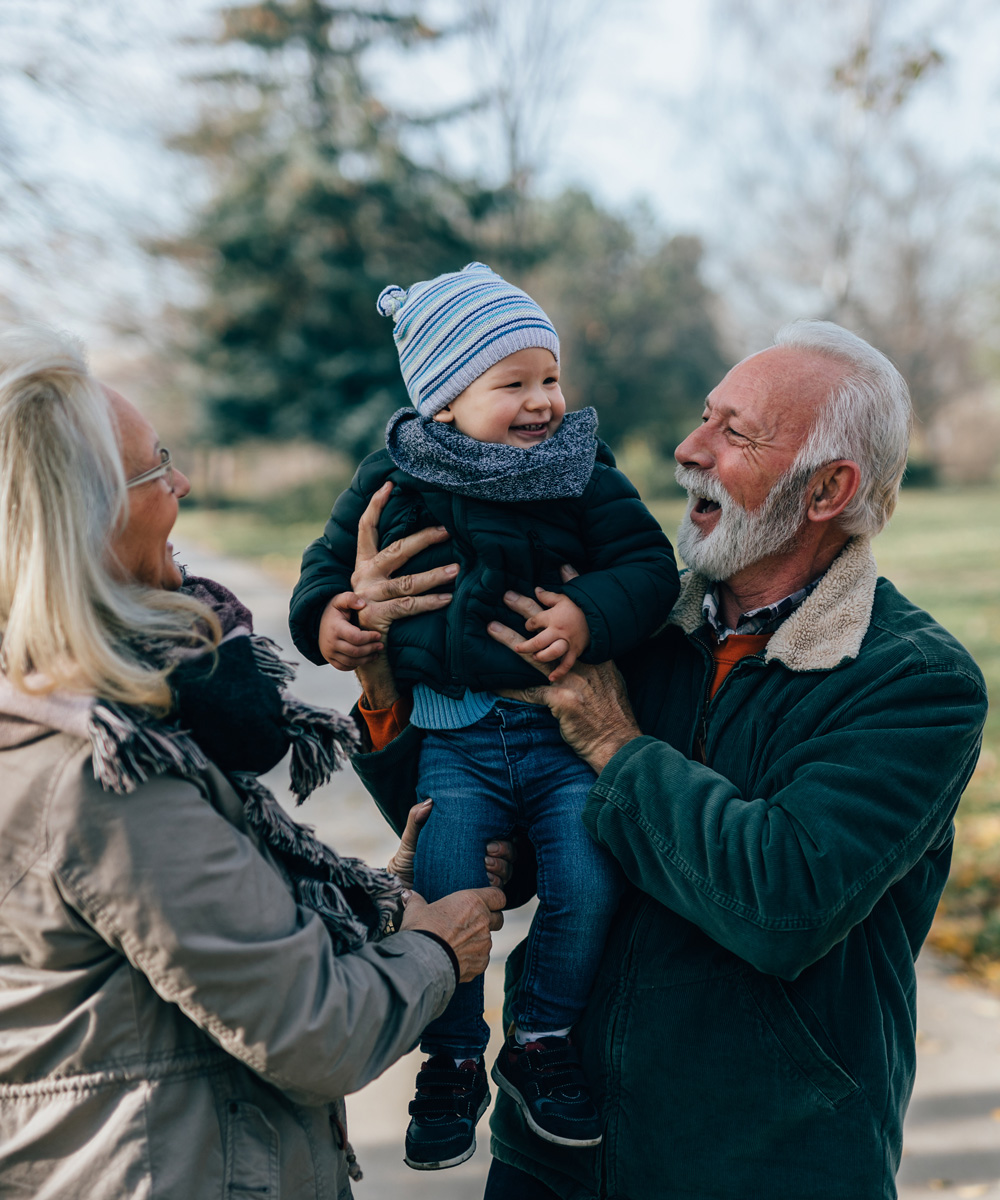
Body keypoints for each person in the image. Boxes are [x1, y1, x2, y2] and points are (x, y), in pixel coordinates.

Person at [328, 320, 988, 1199]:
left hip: (763, 1163)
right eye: (705, 416)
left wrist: (614, 743)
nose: (689, 449)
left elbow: (781, 903)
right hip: (555, 1148)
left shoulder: (912, 679)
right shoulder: (628, 626)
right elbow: (496, 836)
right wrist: (382, 674)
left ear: (829, 488)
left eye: (735, 433)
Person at [0, 323, 507, 1200]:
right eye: (158, 468)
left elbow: (205, 945)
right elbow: (314, 1030)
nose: (185, 483)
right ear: (87, 520)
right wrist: (435, 950)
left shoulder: (50, 709)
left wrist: (376, 898)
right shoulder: (100, 776)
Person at [289, 262, 679, 1170]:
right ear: (444, 399)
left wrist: (589, 616)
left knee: (587, 883)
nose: (543, 402)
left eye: (551, 378)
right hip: (453, 744)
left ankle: (539, 1040)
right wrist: (332, 619)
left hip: (558, 739)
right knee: (450, 898)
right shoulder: (395, 475)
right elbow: (324, 568)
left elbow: (647, 568)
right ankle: (454, 1055)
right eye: (514, 384)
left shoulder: (580, 470)